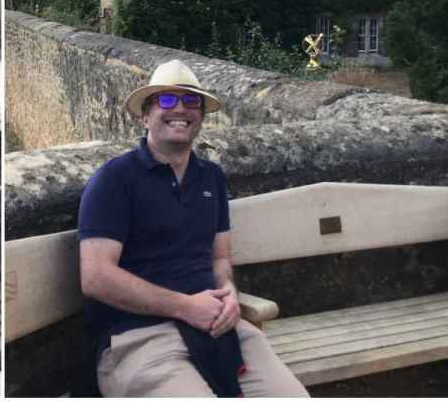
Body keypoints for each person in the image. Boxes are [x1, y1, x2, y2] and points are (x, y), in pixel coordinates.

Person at [78, 59, 308, 397]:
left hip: (219, 330)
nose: (181, 109)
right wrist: (185, 307)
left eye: (191, 101)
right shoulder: (114, 179)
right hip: (139, 338)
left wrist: (229, 294)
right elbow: (96, 277)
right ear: (145, 114)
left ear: (201, 115)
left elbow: (219, 259)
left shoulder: (211, 178)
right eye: (167, 100)